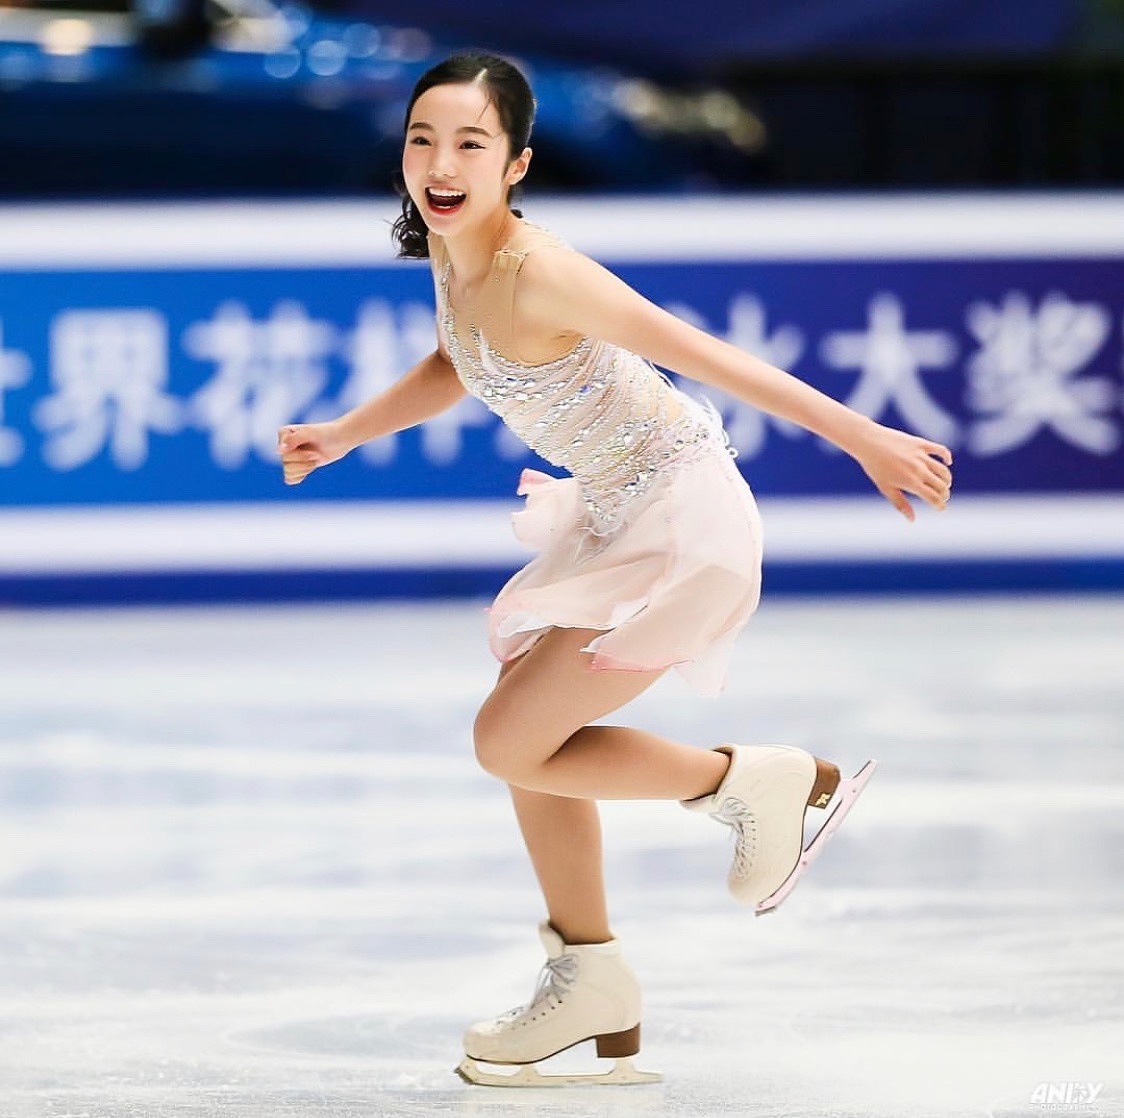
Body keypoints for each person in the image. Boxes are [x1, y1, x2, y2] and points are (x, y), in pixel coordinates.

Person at [277, 51, 953, 1087]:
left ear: (517, 164)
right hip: (612, 513)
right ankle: (589, 972)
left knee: (507, 737)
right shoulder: (453, 256)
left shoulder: (542, 270)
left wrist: (863, 436)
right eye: (423, 140)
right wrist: (345, 432)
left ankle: (746, 781)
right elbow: (459, 360)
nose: (441, 164)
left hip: (680, 521)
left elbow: (706, 356)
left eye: (470, 144)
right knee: (525, 738)